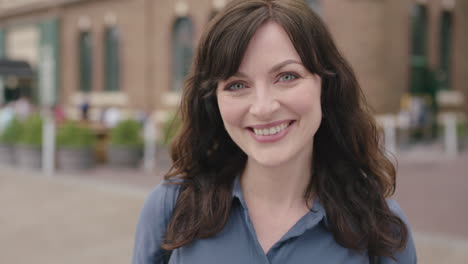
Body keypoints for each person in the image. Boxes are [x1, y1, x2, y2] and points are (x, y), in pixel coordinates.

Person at [132, 0, 417, 263]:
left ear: (326, 86)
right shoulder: (170, 207)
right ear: (213, 100)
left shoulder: (382, 227)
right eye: (236, 84)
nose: (263, 107)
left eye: (287, 76)